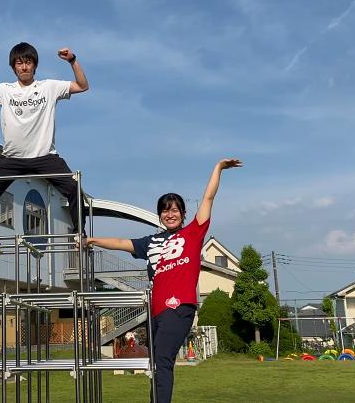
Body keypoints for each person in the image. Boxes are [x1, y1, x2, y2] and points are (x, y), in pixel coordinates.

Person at [85, 159, 242, 403]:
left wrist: (218, 168)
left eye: (175, 209)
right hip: (156, 312)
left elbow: (209, 198)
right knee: (156, 365)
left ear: (183, 213)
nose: (170, 214)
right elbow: (121, 242)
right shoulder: (151, 242)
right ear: (160, 215)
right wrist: (92, 240)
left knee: (162, 362)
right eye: (165, 210)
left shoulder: (192, 233)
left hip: (179, 308)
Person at [0, 42, 89, 250]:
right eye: (19, 63)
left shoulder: (48, 87)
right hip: (13, 158)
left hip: (45, 157)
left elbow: (82, 86)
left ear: (34, 65)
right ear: (14, 67)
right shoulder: (4, 90)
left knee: (74, 188)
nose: (24, 67)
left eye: (28, 62)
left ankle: (79, 234)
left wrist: (72, 61)